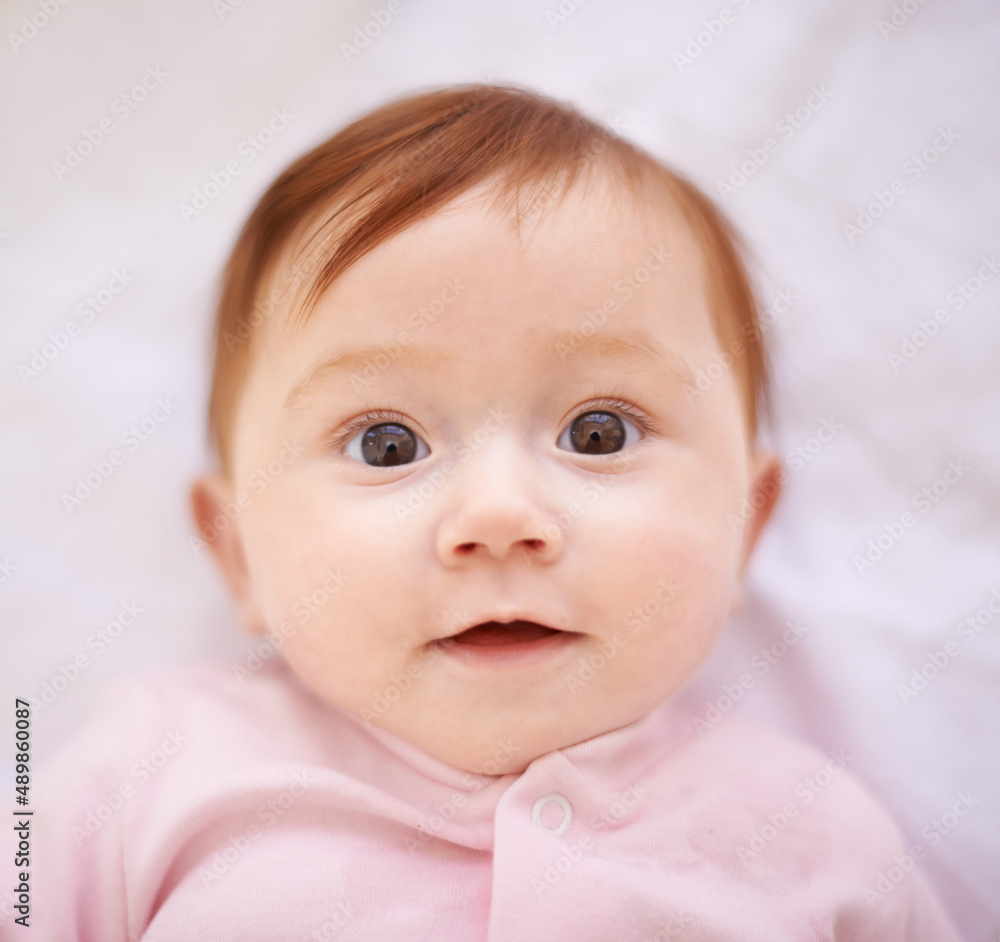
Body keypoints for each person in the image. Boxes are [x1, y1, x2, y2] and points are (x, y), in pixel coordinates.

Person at [22, 83, 961, 940]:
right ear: (237, 556)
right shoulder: (143, 777)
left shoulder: (814, 838)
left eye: (599, 434)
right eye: (386, 445)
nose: (501, 515)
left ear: (745, 527)